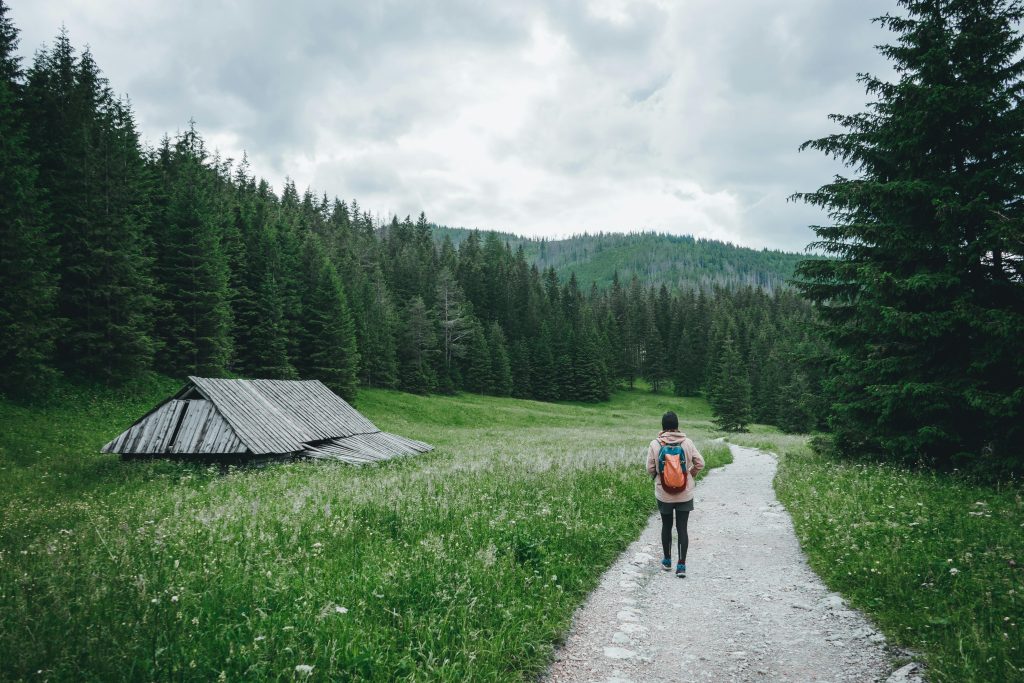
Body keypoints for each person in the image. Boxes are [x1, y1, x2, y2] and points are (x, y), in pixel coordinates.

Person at [646, 411, 704, 577]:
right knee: (682, 528)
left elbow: (650, 468)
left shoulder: (655, 444)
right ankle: (681, 566)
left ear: (663, 426)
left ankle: (666, 561)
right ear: (677, 425)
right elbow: (700, 463)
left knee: (666, 526)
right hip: (685, 493)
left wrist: (659, 477)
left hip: (663, 493)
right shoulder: (687, 442)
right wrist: (689, 476)